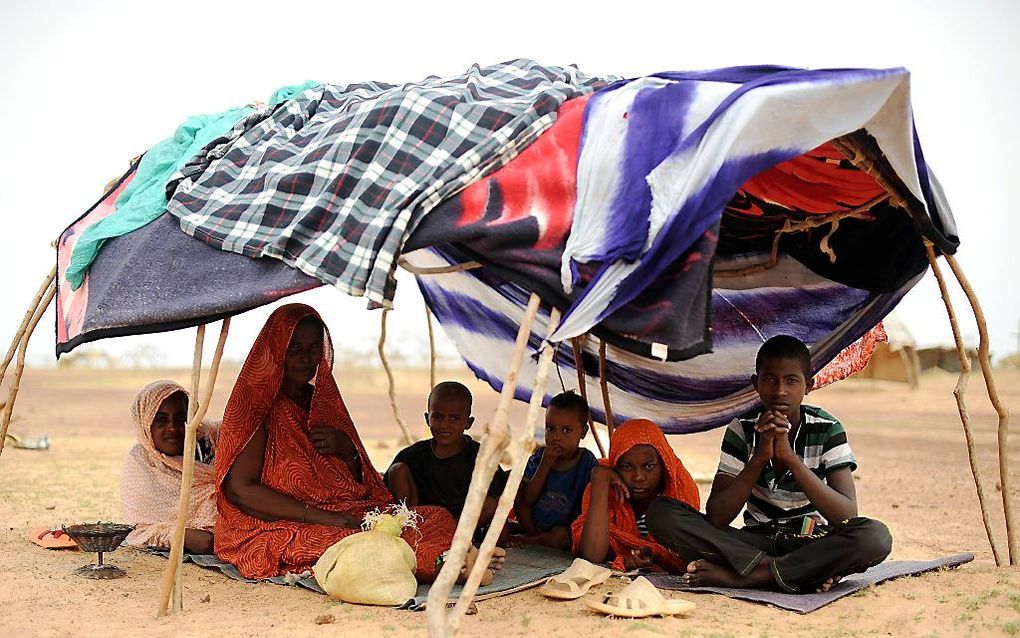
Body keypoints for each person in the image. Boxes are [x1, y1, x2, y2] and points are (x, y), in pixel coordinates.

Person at [215, 304, 501, 582]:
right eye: (295, 348)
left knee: (433, 517)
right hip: (278, 523)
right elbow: (241, 492)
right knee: (356, 542)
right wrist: (325, 518)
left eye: (313, 348)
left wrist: (347, 451)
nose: (305, 357)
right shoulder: (254, 408)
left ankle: (450, 560)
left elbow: (360, 484)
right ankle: (448, 563)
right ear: (275, 349)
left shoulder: (321, 401)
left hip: (342, 510)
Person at [646, 335, 892, 593]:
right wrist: (760, 457)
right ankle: (787, 570)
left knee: (874, 536)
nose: (779, 391)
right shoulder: (741, 429)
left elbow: (846, 514)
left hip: (810, 541)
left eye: (791, 381)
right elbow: (718, 517)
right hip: (753, 542)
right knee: (661, 512)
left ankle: (748, 578)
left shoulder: (828, 429)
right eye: (769, 379)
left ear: (808, 386)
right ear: (756, 383)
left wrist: (790, 459)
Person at [572, 418, 701, 571]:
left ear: (664, 465)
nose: (638, 477)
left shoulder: (679, 492)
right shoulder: (605, 488)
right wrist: (600, 477)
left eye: (649, 466)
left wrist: (654, 555)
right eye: (627, 466)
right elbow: (593, 555)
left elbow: (685, 557)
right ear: (615, 466)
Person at [385, 381, 508, 530]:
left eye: (454, 418)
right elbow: (386, 490)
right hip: (421, 522)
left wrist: (502, 535)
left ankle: (449, 535)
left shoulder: (481, 456)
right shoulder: (414, 454)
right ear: (427, 418)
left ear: (468, 422)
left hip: (460, 525)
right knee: (397, 470)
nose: (445, 425)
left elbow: (497, 497)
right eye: (437, 417)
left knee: (490, 504)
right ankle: (406, 527)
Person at [120, 380, 217, 554]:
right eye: (161, 420)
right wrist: (180, 536)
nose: (172, 427)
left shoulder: (211, 440)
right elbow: (139, 530)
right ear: (146, 423)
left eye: (181, 419)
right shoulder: (142, 462)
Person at [513, 391, 598, 549]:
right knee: (514, 486)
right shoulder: (539, 457)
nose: (556, 437)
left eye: (566, 430)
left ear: (583, 432)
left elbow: (590, 506)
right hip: (533, 523)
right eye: (550, 429)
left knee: (563, 537)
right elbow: (527, 500)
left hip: (566, 529)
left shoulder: (587, 461)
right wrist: (545, 464)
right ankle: (534, 536)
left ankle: (532, 541)